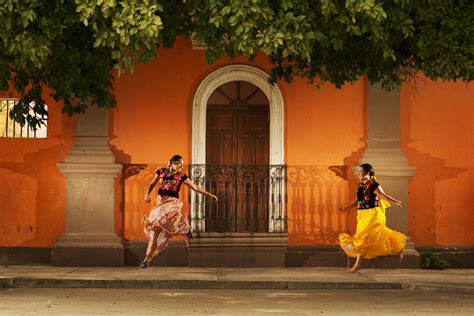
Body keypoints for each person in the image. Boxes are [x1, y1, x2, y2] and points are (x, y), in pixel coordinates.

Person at [140, 154, 218, 268]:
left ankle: (184, 227)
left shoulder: (181, 176)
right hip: (161, 202)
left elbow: (195, 187)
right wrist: (147, 194)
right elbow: (152, 184)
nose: (180, 166)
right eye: (177, 164)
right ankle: (147, 259)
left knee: (173, 213)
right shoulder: (161, 172)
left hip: (173, 202)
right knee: (156, 232)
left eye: (181, 165)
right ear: (172, 163)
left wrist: (210, 194)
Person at [338, 163, 406, 272]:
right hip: (363, 215)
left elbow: (383, 196)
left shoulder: (374, 184)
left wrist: (396, 202)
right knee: (378, 235)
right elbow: (357, 201)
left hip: (374, 214)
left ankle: (357, 266)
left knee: (364, 238)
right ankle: (399, 248)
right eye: (359, 172)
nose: (359, 174)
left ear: (368, 172)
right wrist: (347, 207)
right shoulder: (361, 185)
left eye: (361, 172)